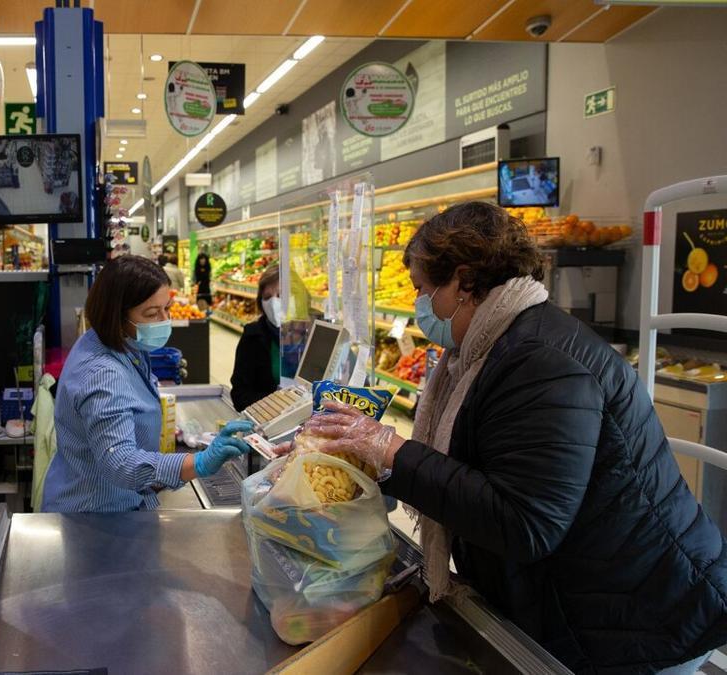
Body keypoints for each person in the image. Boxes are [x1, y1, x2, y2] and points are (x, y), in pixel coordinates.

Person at [306, 201, 727, 673]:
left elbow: (526, 521)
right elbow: (480, 466)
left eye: (424, 290)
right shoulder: (491, 347)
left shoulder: (540, 361)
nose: (420, 306)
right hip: (595, 600)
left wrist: (392, 451)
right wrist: (357, 463)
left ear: (464, 282)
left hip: (642, 619)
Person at [42, 255, 254, 512]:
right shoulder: (102, 372)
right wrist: (198, 462)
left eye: (167, 308)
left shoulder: (118, 342)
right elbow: (120, 462)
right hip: (94, 516)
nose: (164, 320)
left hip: (119, 502)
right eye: (152, 313)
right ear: (116, 316)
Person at [230, 265, 281, 411]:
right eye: (267, 297)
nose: (273, 303)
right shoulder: (253, 336)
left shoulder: (315, 335)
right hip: (269, 421)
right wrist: (278, 403)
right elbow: (240, 395)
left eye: (280, 296)